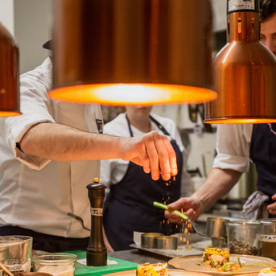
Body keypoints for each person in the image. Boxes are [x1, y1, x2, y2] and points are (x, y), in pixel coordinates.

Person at [0, 51, 178, 252]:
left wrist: (101, 240)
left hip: (82, 242)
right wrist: (121, 146)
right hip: (25, 241)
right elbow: (33, 138)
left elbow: (86, 183)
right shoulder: (27, 87)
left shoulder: (90, 100)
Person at [166, 0, 276, 223]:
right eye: (259, 39)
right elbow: (229, 162)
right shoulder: (243, 94)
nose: (269, 49)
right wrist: (199, 200)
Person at [100, 106, 191, 251]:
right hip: (127, 234)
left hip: (171, 233)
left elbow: (184, 178)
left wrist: (185, 208)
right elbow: (98, 194)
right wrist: (102, 242)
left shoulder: (169, 127)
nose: (141, 103)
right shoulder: (112, 132)